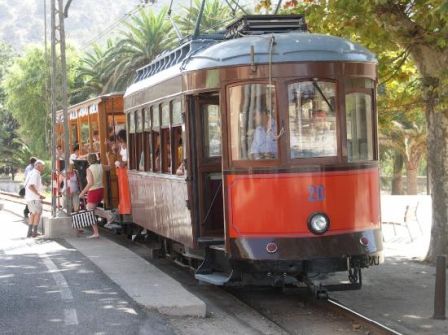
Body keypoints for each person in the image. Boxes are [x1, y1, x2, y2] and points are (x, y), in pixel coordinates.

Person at [79, 154, 104, 239]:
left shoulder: (89, 169)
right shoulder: (101, 166)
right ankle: (108, 215)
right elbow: (109, 167)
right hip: (101, 190)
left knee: (89, 211)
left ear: (88, 160)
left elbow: (90, 183)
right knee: (92, 209)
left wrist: (82, 192)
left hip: (93, 191)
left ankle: (96, 233)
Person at [24, 160, 46, 238]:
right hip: (34, 198)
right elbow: (31, 186)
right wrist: (39, 195)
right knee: (37, 213)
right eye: (42, 166)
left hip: (31, 198)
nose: (43, 168)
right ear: (37, 166)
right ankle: (34, 232)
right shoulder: (35, 174)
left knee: (33, 214)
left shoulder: (31, 173)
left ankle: (30, 232)